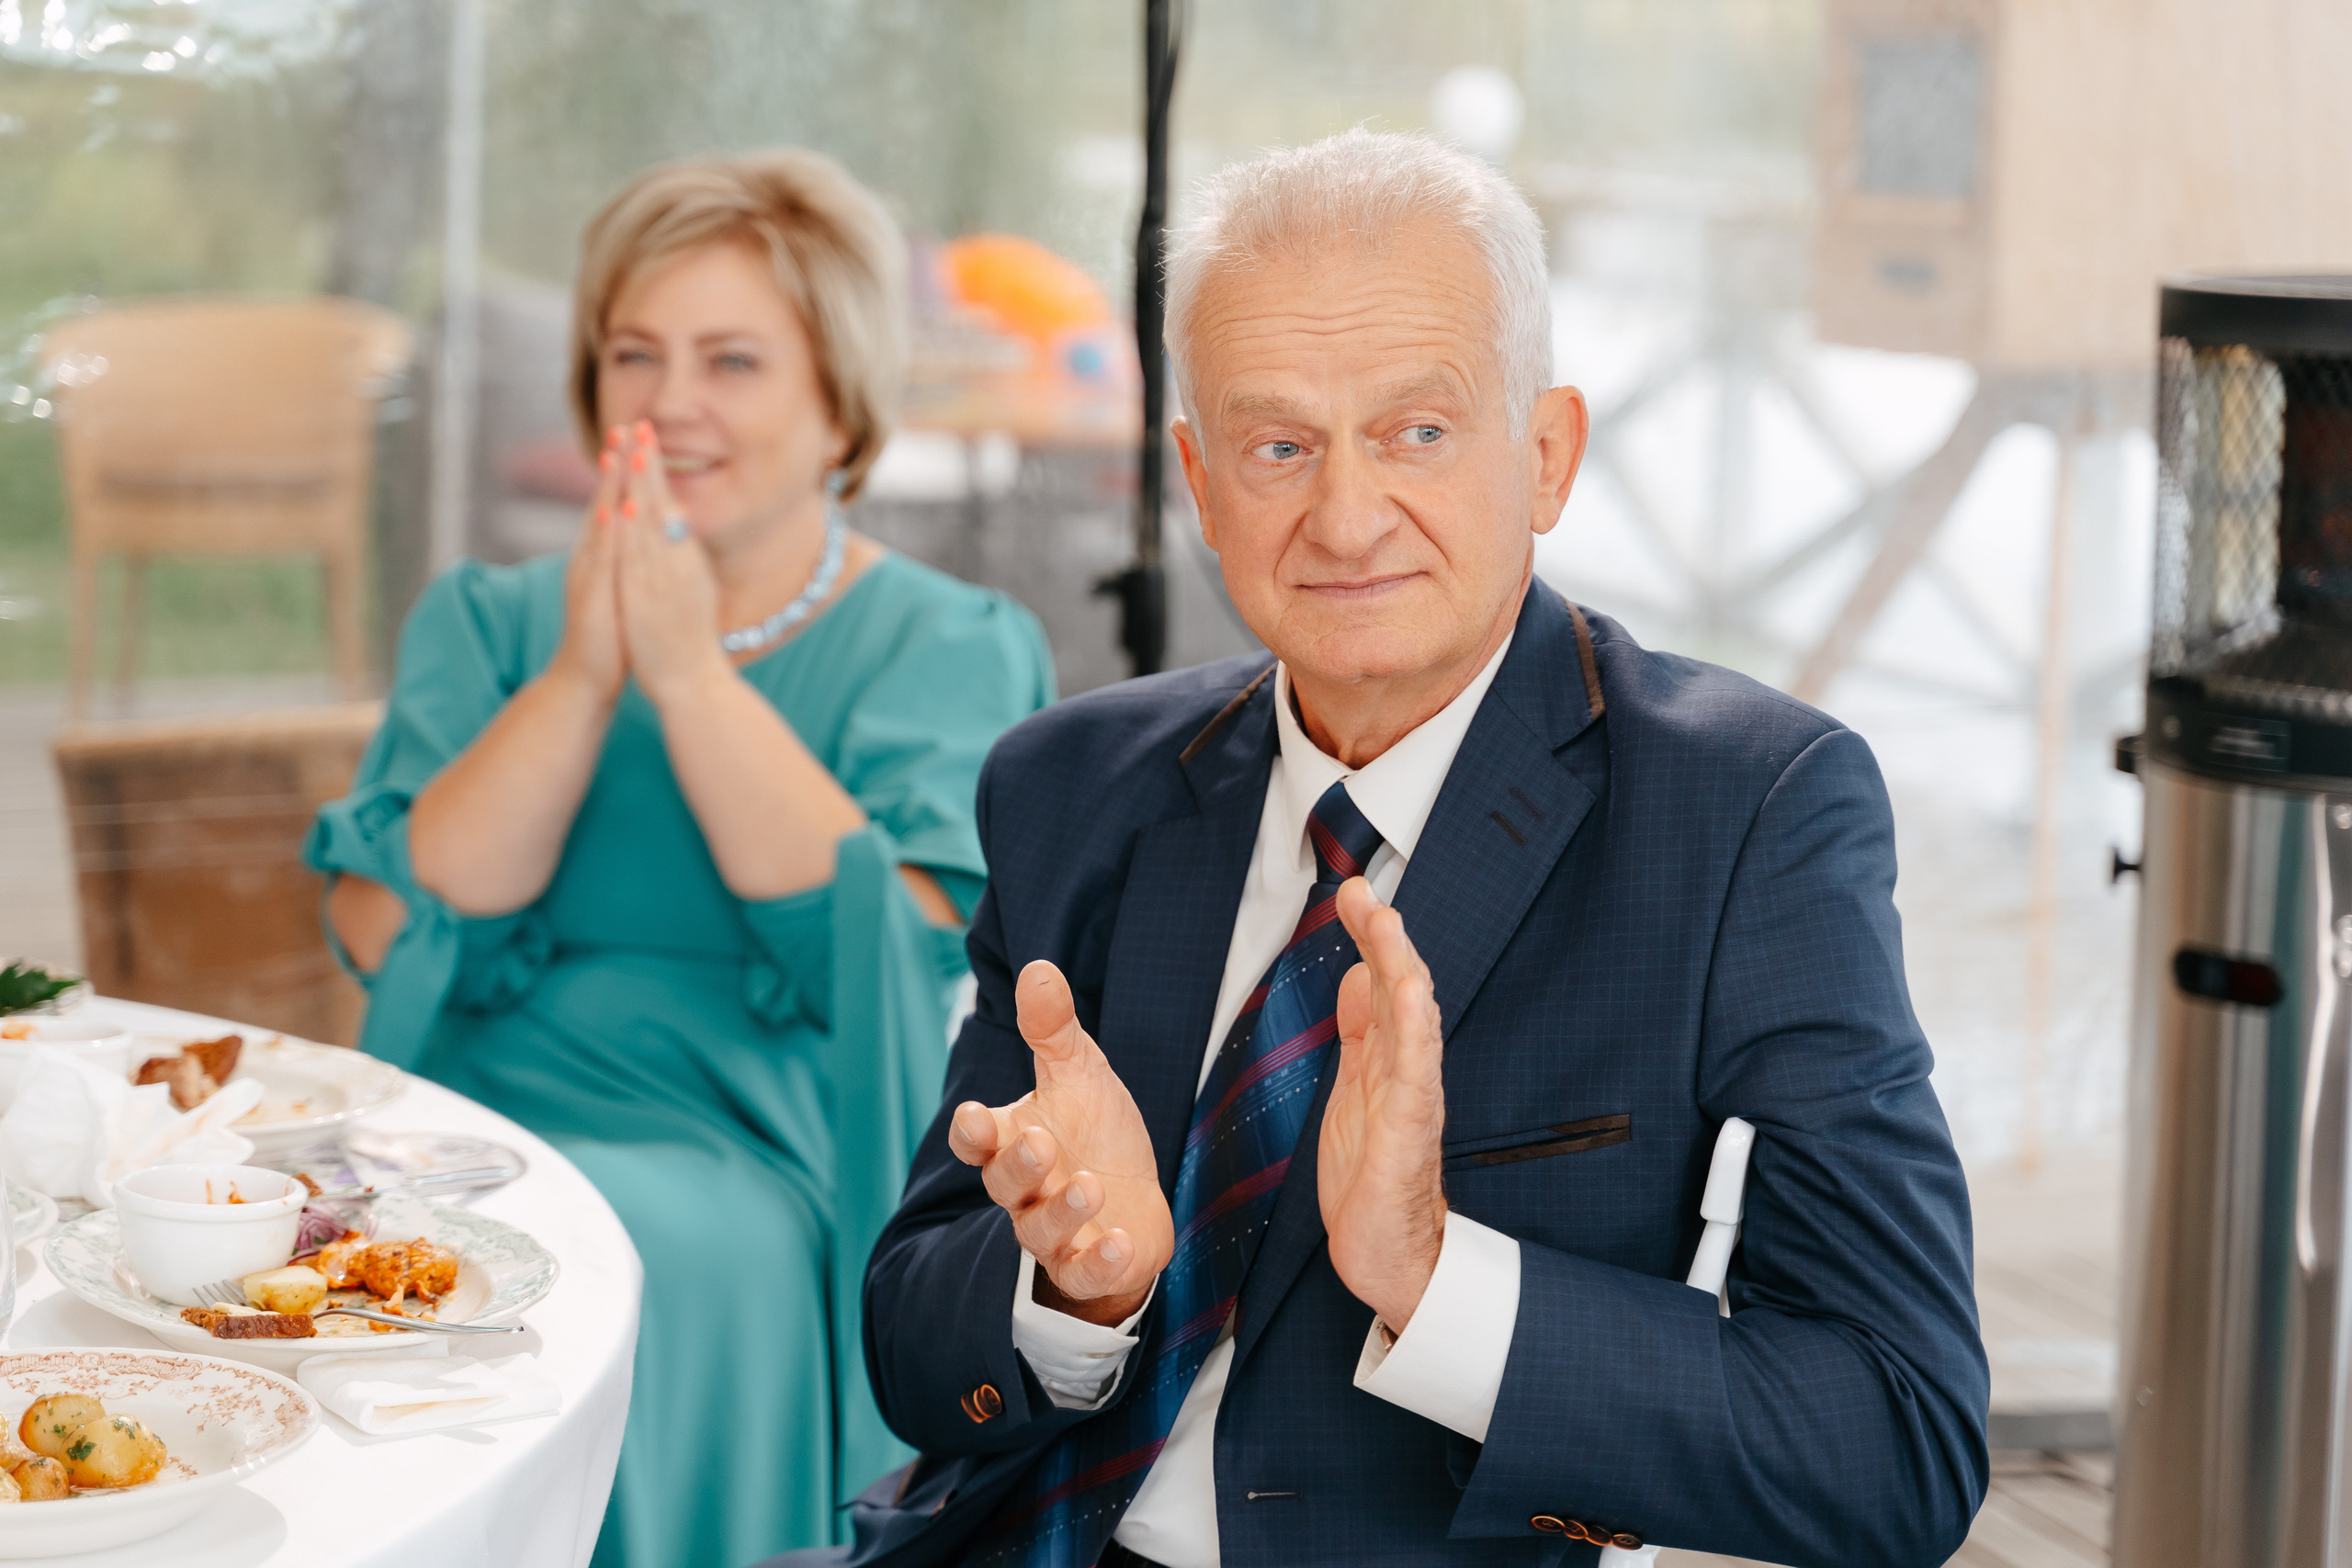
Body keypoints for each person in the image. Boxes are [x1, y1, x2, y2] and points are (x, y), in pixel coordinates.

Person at [791, 130, 1987, 1568]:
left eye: (1417, 432)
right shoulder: (1072, 786)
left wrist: (1435, 1277)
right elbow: (915, 1358)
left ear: (1545, 454)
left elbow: (1900, 1443)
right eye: (1279, 446)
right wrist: (1073, 1293)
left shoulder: (1747, 812)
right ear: (1200, 483)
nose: (1347, 518)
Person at [308, 150, 1056, 1568]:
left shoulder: (948, 645)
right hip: (468, 1117)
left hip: (754, 1145)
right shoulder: (492, 620)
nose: (671, 401)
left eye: (733, 360)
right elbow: (380, 916)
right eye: (634, 354)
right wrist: (584, 680)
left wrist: (690, 675)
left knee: (595, 1261)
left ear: (837, 403)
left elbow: (888, 961)